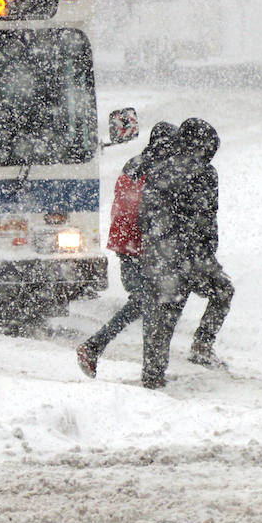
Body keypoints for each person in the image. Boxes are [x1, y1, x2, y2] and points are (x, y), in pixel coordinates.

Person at [137, 117, 235, 389]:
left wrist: (156, 247)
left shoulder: (157, 171)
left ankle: (152, 373)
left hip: (161, 254)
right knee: (223, 292)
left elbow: (144, 216)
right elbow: (206, 216)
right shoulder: (206, 173)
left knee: (164, 315)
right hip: (193, 254)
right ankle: (202, 344)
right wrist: (205, 250)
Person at [77, 121, 178, 378]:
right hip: (141, 244)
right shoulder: (159, 169)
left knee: (145, 302)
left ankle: (100, 349)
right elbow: (146, 210)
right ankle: (99, 349)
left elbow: (126, 205)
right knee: (146, 302)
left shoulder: (135, 163)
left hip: (126, 242)